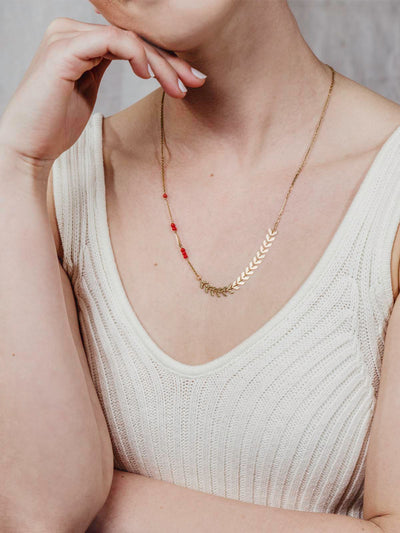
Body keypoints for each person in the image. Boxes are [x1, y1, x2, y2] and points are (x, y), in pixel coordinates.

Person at [1, 0, 400, 531]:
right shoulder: (51, 181)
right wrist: (16, 167)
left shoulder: (386, 192)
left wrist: (97, 500)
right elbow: (39, 512)